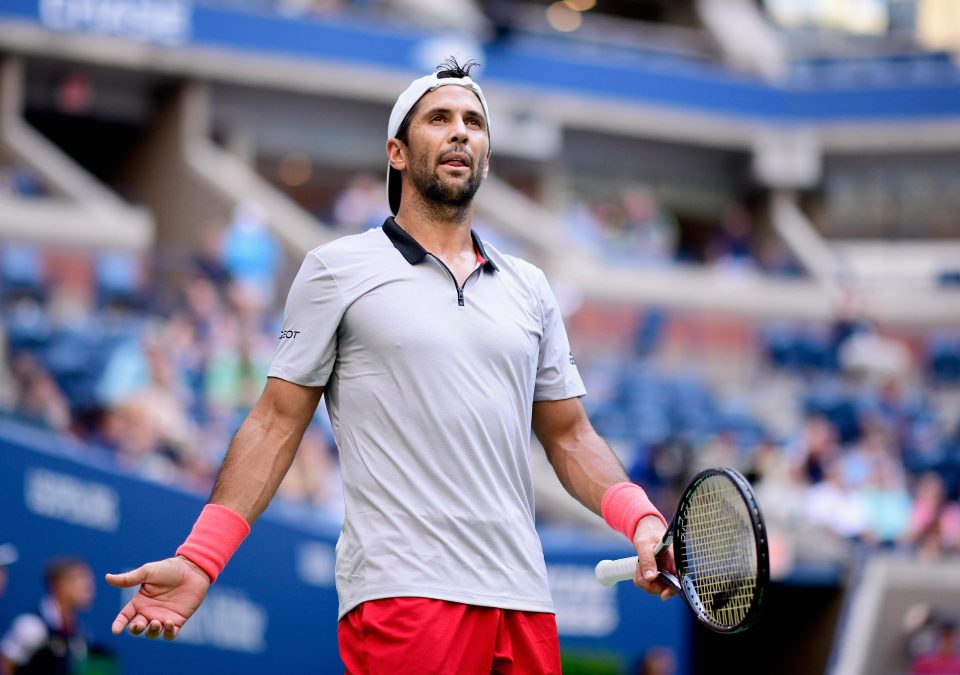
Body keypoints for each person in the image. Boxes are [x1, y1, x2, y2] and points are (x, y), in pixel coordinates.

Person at [105, 58, 675, 673]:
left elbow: (569, 435)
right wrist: (200, 558)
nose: (461, 131)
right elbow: (274, 424)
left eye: (474, 122)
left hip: (523, 600)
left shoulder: (531, 287)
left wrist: (641, 521)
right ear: (397, 152)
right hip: (404, 594)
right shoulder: (335, 268)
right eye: (439, 118)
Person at [1, 557, 94, 675]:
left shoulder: (79, 633)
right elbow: (6, 665)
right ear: (60, 585)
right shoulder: (31, 625)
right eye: (81, 579)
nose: (89, 588)